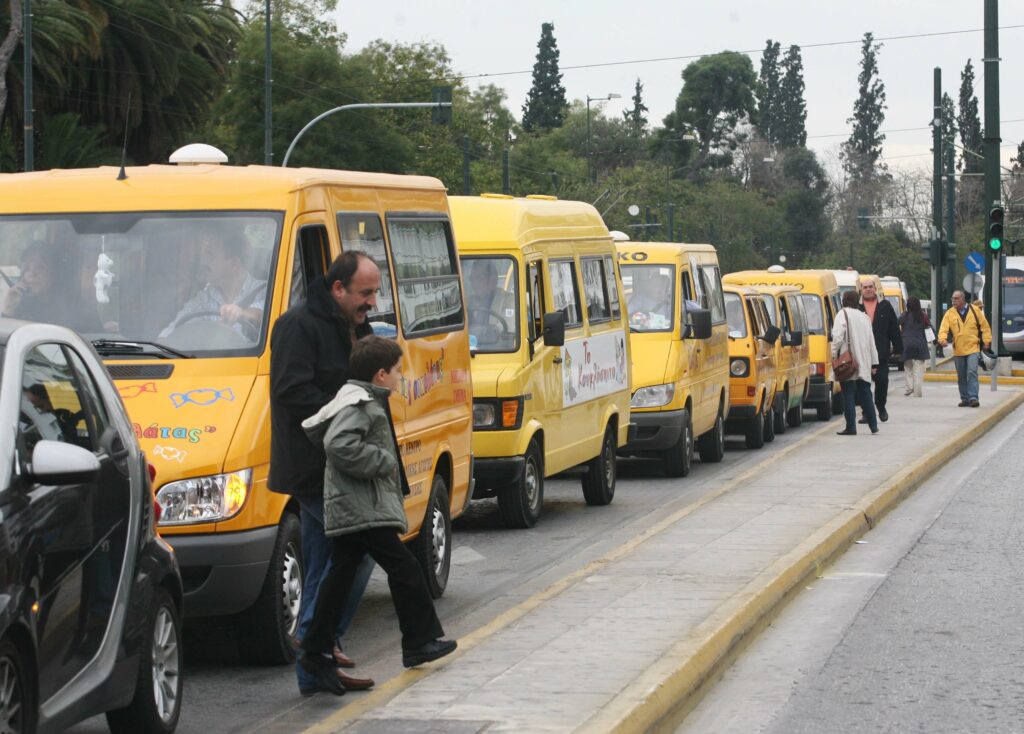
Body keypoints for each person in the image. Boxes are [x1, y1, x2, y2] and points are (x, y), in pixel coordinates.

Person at [298, 336, 457, 695]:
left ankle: (314, 651)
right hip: (362, 508)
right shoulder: (362, 404)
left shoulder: (360, 398)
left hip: (358, 506)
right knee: (405, 568)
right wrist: (383, 463)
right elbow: (338, 444)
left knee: (339, 577)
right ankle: (418, 642)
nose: (402, 378)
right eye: (398, 372)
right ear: (381, 374)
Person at [269, 251, 380, 695]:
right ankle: (318, 642)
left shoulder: (349, 324)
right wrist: (349, 405)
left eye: (375, 292)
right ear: (338, 288)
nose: (372, 301)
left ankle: (316, 662)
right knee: (353, 551)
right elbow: (291, 391)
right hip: (314, 466)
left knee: (329, 561)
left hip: (341, 463)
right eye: (365, 293)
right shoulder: (300, 325)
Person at [159, 229, 267, 340]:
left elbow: (265, 313)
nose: (203, 262)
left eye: (210, 255)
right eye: (203, 255)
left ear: (234, 263)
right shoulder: (203, 299)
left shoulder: (266, 291)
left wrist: (243, 314)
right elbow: (169, 333)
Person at [3, 241, 103, 332]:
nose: (31, 274)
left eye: (40, 267)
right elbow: (8, 344)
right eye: (27, 268)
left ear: (55, 273)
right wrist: (9, 308)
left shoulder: (78, 306)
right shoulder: (21, 306)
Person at [832, 289, 880, 435]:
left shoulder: (842, 314)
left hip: (848, 360)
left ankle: (851, 427)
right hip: (864, 360)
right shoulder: (864, 317)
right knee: (865, 392)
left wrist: (833, 355)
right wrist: (874, 362)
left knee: (848, 393)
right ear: (857, 301)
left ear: (843, 301)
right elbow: (872, 341)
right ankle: (873, 425)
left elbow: (838, 338)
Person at [936, 289, 992, 408]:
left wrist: (987, 341)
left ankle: (973, 398)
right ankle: (965, 398)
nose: (953, 301)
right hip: (959, 350)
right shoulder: (950, 313)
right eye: (952, 299)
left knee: (971, 372)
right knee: (961, 375)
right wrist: (942, 339)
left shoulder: (975, 310)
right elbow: (943, 328)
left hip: (973, 347)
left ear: (962, 299)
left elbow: (985, 327)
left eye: (956, 299)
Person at [857, 278, 901, 423]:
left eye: (871, 287)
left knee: (882, 382)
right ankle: (866, 412)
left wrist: (898, 348)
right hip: (862, 354)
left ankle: (881, 407)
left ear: (875, 289)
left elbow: (894, 328)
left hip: (881, 353)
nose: (868, 289)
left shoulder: (885, 306)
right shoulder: (857, 308)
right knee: (863, 385)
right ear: (861, 290)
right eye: (865, 287)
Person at [899, 297, 930, 398]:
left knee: (908, 368)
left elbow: (896, 323)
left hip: (907, 344)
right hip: (920, 346)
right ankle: (917, 392)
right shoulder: (923, 316)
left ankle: (909, 388)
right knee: (918, 370)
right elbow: (929, 328)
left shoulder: (904, 315)